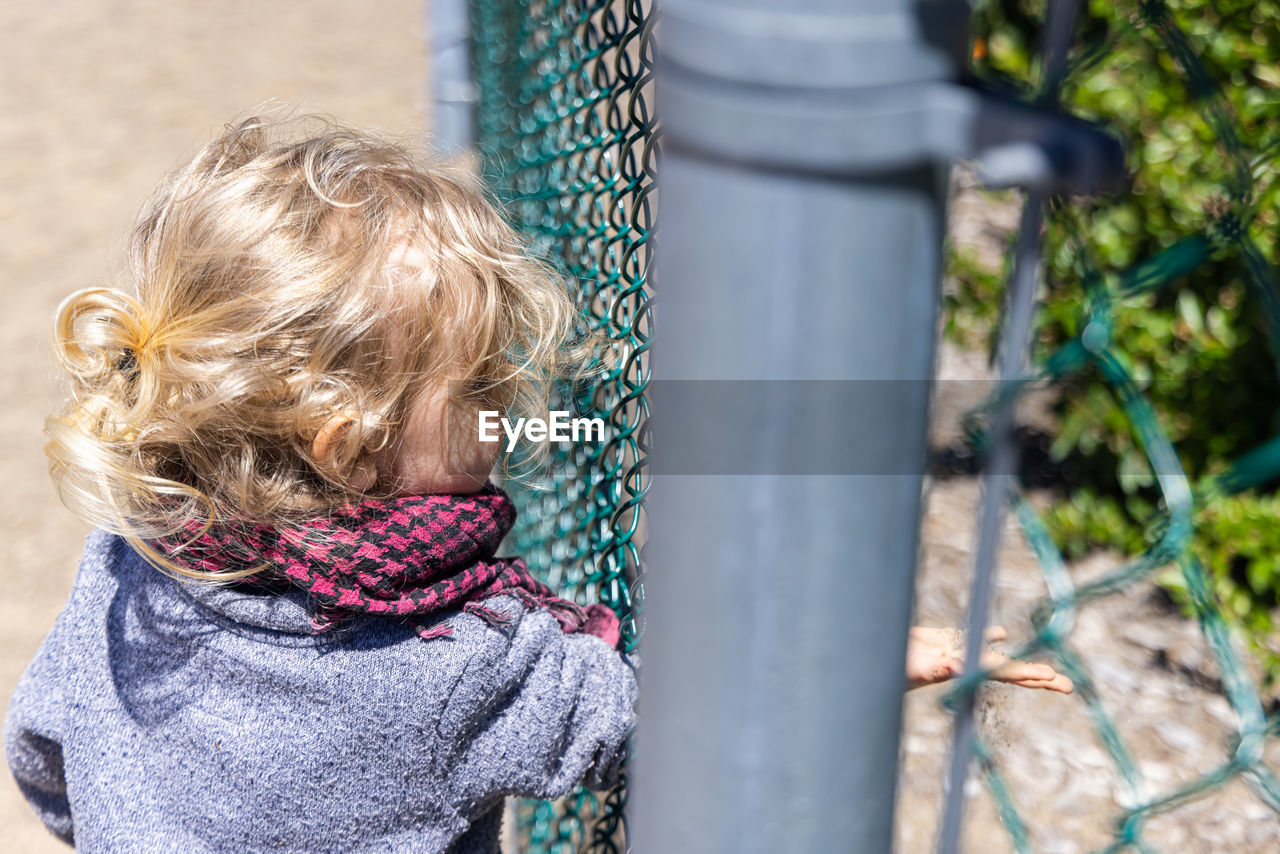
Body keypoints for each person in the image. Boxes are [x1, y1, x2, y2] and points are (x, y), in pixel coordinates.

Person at [4, 113, 1069, 853]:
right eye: (479, 385)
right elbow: (683, 713)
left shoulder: (140, 555)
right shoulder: (457, 667)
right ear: (342, 446)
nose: (510, 408)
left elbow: (43, 751)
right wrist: (859, 657)